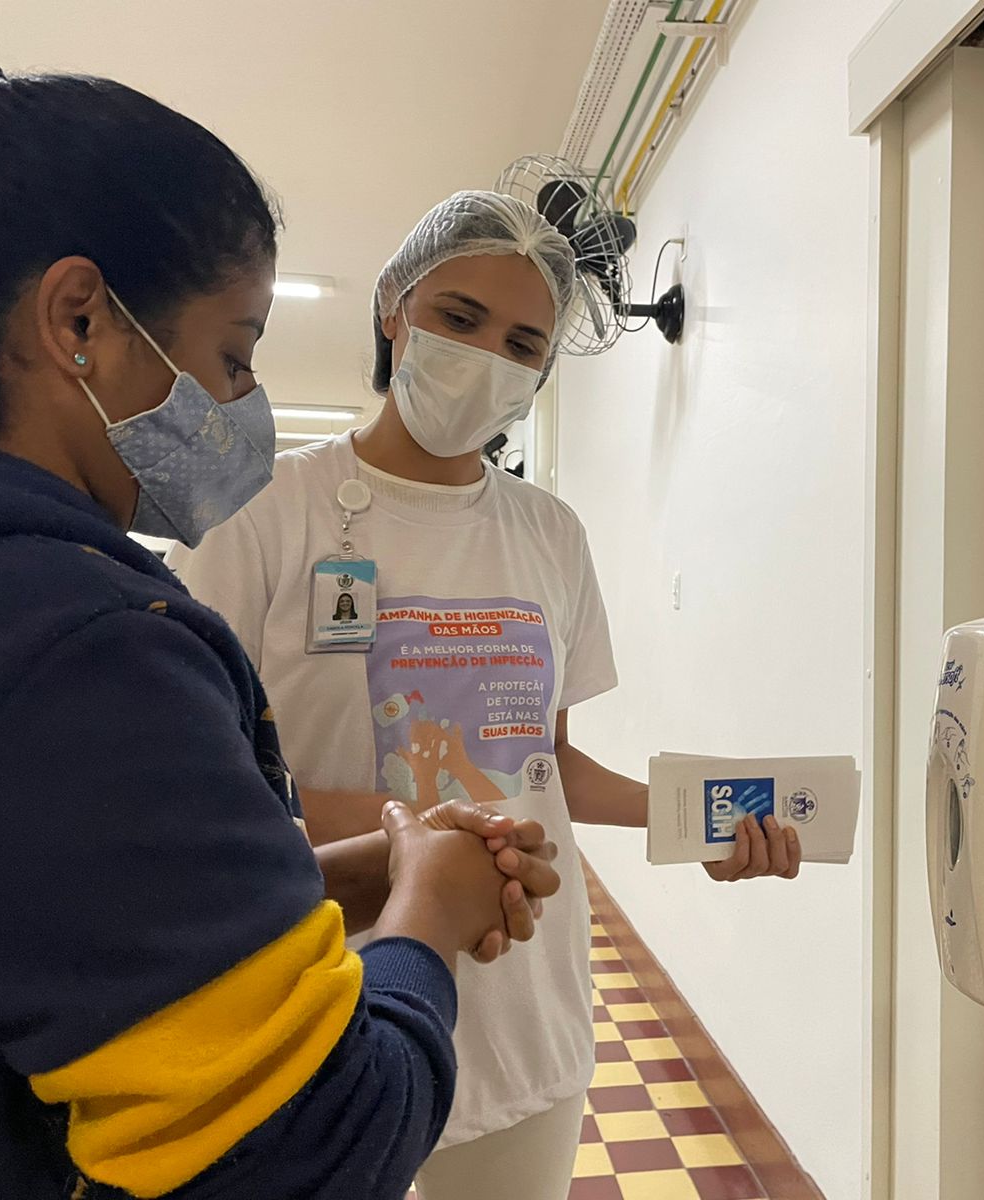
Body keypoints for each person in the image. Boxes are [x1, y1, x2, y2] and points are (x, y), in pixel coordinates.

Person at [0, 40, 563, 1200]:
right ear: (79, 319)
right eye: (233, 356)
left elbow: (61, 900)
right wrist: (427, 912)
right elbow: (317, 1145)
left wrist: (337, 877)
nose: (240, 405)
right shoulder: (69, 650)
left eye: (525, 342)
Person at [169, 190, 803, 1200]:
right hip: (317, 989)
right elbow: (196, 786)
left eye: (522, 344)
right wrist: (423, 833)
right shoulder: (260, 513)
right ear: (394, 305)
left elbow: (546, 769)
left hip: (522, 993)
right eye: (459, 318)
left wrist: (702, 820)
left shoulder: (549, 534)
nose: (486, 359)